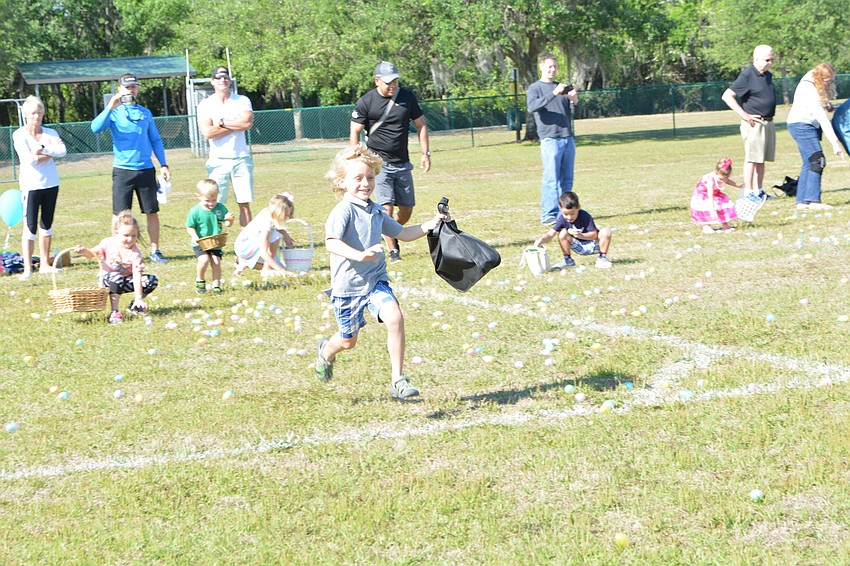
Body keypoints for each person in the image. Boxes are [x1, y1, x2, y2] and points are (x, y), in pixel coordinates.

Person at [315, 145, 448, 399]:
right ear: (342, 182)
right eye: (358, 178)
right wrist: (359, 254)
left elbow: (403, 233)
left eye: (370, 177)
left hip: (375, 281)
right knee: (347, 342)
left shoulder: (376, 210)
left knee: (395, 318)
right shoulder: (342, 211)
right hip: (347, 288)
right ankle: (326, 352)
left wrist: (432, 223)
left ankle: (398, 379)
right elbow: (331, 242)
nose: (365, 183)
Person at [350, 61, 431, 263]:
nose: (392, 85)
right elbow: (355, 131)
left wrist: (425, 152)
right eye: (387, 82)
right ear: (377, 81)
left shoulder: (407, 97)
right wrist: (357, 156)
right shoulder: (366, 101)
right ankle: (393, 250)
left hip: (402, 162)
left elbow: (421, 125)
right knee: (386, 206)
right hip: (379, 163)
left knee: (407, 209)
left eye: (395, 81)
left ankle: (391, 232)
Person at [90, 73, 171, 264]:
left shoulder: (145, 113)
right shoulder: (114, 113)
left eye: (134, 86)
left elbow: (155, 140)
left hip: (145, 169)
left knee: (151, 211)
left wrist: (164, 164)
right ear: (119, 89)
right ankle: (116, 253)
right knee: (119, 214)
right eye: (127, 87)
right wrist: (111, 105)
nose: (131, 90)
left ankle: (155, 251)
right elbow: (95, 128)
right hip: (122, 170)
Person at [12, 95, 67, 281]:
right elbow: (31, 160)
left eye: (40, 112)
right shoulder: (19, 135)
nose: (37, 116)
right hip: (31, 185)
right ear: (26, 114)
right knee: (30, 226)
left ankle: (44, 263)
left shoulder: (50, 132)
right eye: (33, 113)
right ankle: (27, 268)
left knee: (47, 224)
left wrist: (42, 149)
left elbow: (63, 152)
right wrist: (50, 152)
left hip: (51, 183)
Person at [75, 210, 158, 324]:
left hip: (125, 281)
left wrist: (139, 297)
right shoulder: (108, 243)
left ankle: (135, 305)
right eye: (126, 235)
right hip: (108, 281)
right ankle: (115, 311)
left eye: (134, 235)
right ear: (116, 233)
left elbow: (137, 275)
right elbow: (91, 254)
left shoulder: (135, 253)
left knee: (151, 280)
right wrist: (83, 251)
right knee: (116, 277)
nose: (130, 239)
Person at [197, 66, 255, 227]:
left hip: (241, 158)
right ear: (212, 81)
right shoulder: (205, 105)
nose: (222, 80)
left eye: (225, 76)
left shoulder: (242, 100)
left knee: (244, 202)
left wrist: (222, 122)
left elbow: (247, 123)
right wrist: (236, 125)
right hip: (218, 160)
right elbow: (207, 132)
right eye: (218, 77)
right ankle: (215, 244)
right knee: (214, 203)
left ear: (229, 80)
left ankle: (247, 243)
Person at [527, 52, 579, 226]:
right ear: (541, 66)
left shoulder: (560, 87)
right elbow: (532, 107)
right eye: (549, 66)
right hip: (550, 139)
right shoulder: (535, 88)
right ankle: (549, 214)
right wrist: (553, 94)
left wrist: (573, 100)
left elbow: (570, 111)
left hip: (567, 138)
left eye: (555, 66)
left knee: (567, 178)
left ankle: (567, 213)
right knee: (551, 178)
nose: (552, 70)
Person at [787, 63, 845, 210]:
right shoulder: (809, 89)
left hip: (802, 124)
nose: (830, 84)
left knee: (808, 162)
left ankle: (802, 202)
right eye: (828, 81)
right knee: (817, 160)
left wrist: (827, 105)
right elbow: (822, 119)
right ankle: (813, 201)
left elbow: (819, 107)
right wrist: (835, 142)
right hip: (802, 126)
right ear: (820, 79)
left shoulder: (811, 79)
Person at [721, 45, 776, 199]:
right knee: (752, 158)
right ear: (756, 59)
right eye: (767, 60)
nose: (770, 62)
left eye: (772, 59)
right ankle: (748, 192)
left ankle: (758, 191)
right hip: (754, 124)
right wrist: (745, 115)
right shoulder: (747, 75)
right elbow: (727, 96)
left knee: (761, 159)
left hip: (768, 122)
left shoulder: (767, 75)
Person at [532, 191, 612, 269]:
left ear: (578, 208)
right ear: (560, 208)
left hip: (594, 245)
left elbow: (594, 234)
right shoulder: (562, 219)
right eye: (566, 214)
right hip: (578, 246)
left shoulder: (585, 216)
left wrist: (581, 235)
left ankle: (602, 258)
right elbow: (550, 234)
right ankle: (568, 261)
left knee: (606, 231)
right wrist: (540, 240)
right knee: (562, 233)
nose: (569, 217)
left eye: (572, 214)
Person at [186, 179, 235, 294]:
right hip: (200, 242)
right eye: (207, 200)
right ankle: (200, 280)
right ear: (198, 196)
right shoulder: (195, 211)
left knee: (216, 262)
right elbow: (190, 226)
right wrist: (195, 236)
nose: (211, 203)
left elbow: (227, 224)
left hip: (215, 242)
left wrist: (229, 220)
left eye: (214, 200)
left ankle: (216, 285)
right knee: (204, 260)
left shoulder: (220, 208)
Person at [233, 193, 296, 277]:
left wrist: (286, 235)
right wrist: (282, 270)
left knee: (276, 265)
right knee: (276, 236)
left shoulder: (267, 212)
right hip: (245, 247)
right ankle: (266, 269)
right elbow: (264, 252)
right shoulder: (265, 224)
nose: (285, 219)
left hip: (243, 244)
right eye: (285, 216)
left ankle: (247, 264)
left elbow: (277, 227)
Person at [690, 157, 741, 233]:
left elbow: (728, 181)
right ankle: (707, 226)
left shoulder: (723, 177)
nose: (722, 181)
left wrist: (738, 185)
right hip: (704, 194)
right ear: (716, 172)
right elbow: (710, 195)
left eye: (724, 179)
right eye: (721, 179)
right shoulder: (710, 179)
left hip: (715, 192)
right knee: (706, 208)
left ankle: (725, 224)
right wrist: (712, 209)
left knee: (723, 205)